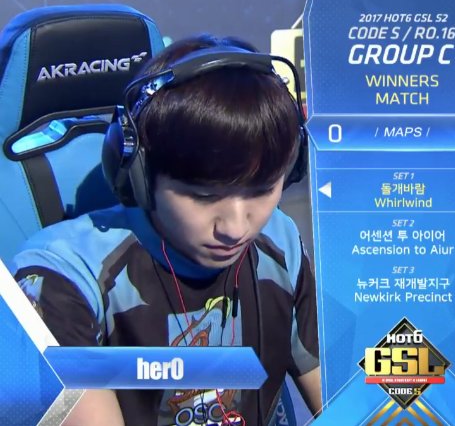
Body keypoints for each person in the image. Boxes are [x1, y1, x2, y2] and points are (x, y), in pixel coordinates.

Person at [11, 34, 321, 426]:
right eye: (204, 196)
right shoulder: (60, 279)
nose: (235, 228)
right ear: (140, 178)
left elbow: (353, 395)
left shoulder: (280, 241)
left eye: (262, 191)